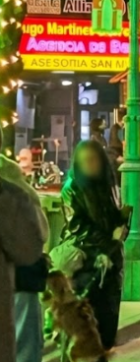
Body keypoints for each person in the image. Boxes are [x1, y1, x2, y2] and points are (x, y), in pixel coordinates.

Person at [62, 140, 129, 357]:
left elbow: (114, 217)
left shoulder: (108, 185)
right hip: (87, 264)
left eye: (94, 160)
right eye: (85, 161)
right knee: (88, 330)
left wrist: (123, 223)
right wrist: (107, 242)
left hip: (111, 263)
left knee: (108, 329)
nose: (90, 165)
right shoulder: (72, 188)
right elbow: (78, 227)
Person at [0, 154, 50, 362]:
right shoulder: (12, 193)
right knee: (25, 345)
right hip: (18, 282)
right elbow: (30, 245)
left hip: (18, 282)